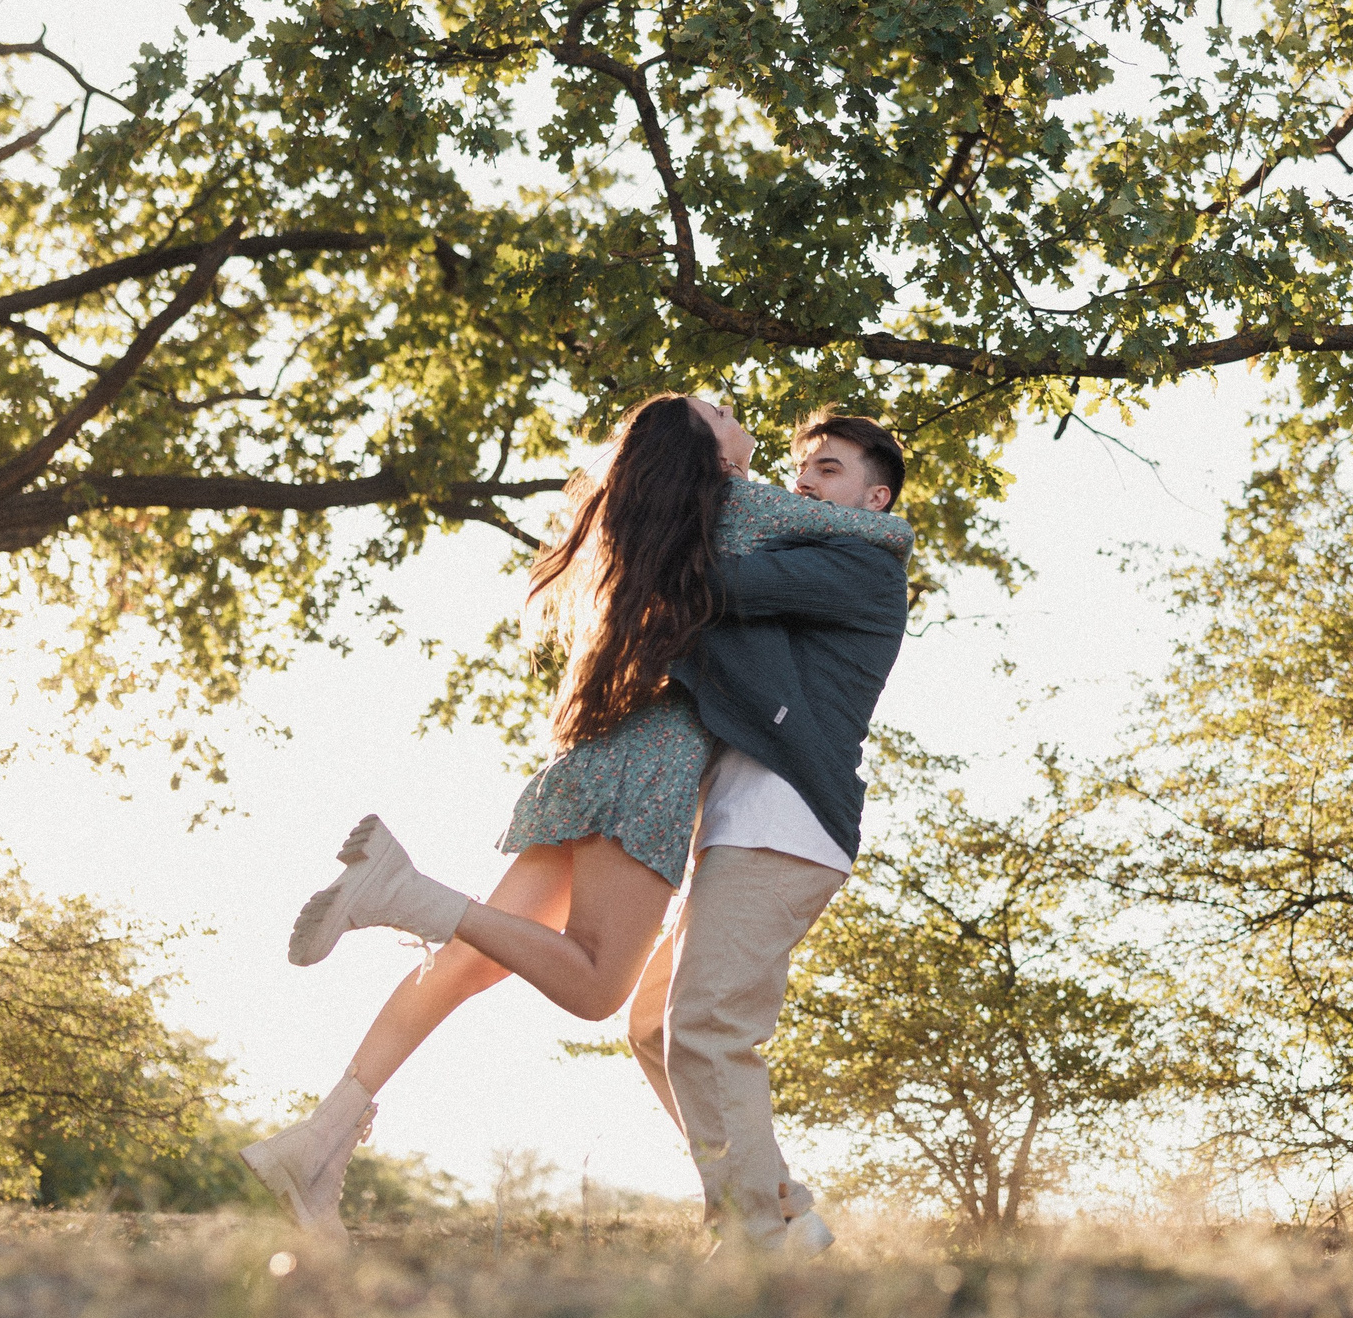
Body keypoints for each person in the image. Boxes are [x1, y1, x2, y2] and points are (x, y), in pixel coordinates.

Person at [241, 394, 913, 1239]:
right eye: (736, 419)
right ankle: (763, 1226)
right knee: (607, 991)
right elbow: (813, 549)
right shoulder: (733, 508)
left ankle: (321, 1139)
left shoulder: (673, 516)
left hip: (608, 754)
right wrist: (875, 525)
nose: (798, 477)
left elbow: (753, 579)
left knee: (487, 966)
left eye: (828, 469)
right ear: (706, 454)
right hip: (657, 763)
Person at [627, 412, 912, 1257]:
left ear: (873, 495)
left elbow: (723, 588)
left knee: (710, 1025)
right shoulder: (793, 553)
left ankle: (755, 1241)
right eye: (797, 470)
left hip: (787, 821)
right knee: (653, 1026)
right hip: (737, 824)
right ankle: (782, 1210)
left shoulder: (863, 562)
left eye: (825, 468)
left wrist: (698, 478)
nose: (804, 482)